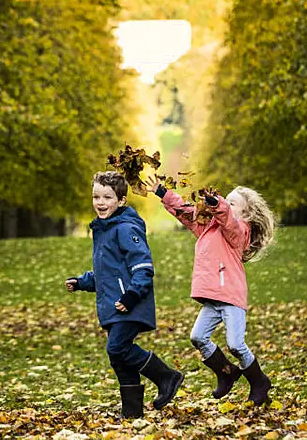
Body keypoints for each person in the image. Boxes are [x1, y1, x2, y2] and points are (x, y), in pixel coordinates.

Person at [144, 176, 276, 406]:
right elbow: (185, 211)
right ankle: (226, 372)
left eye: (232, 203)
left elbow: (228, 220)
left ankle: (259, 382)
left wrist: (217, 203)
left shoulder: (240, 231)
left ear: (245, 214)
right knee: (197, 337)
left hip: (231, 297)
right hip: (213, 298)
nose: (226, 204)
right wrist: (163, 192)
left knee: (235, 344)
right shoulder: (207, 227)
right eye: (227, 201)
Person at [65, 171, 183, 418]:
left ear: (121, 201)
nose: (100, 202)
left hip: (130, 304)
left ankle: (166, 376)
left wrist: (130, 296)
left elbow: (143, 267)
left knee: (116, 348)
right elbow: (106, 273)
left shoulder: (125, 228)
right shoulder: (104, 229)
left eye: (107, 197)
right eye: (96, 196)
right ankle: (132, 412)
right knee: (118, 358)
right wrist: (82, 282)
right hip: (114, 305)